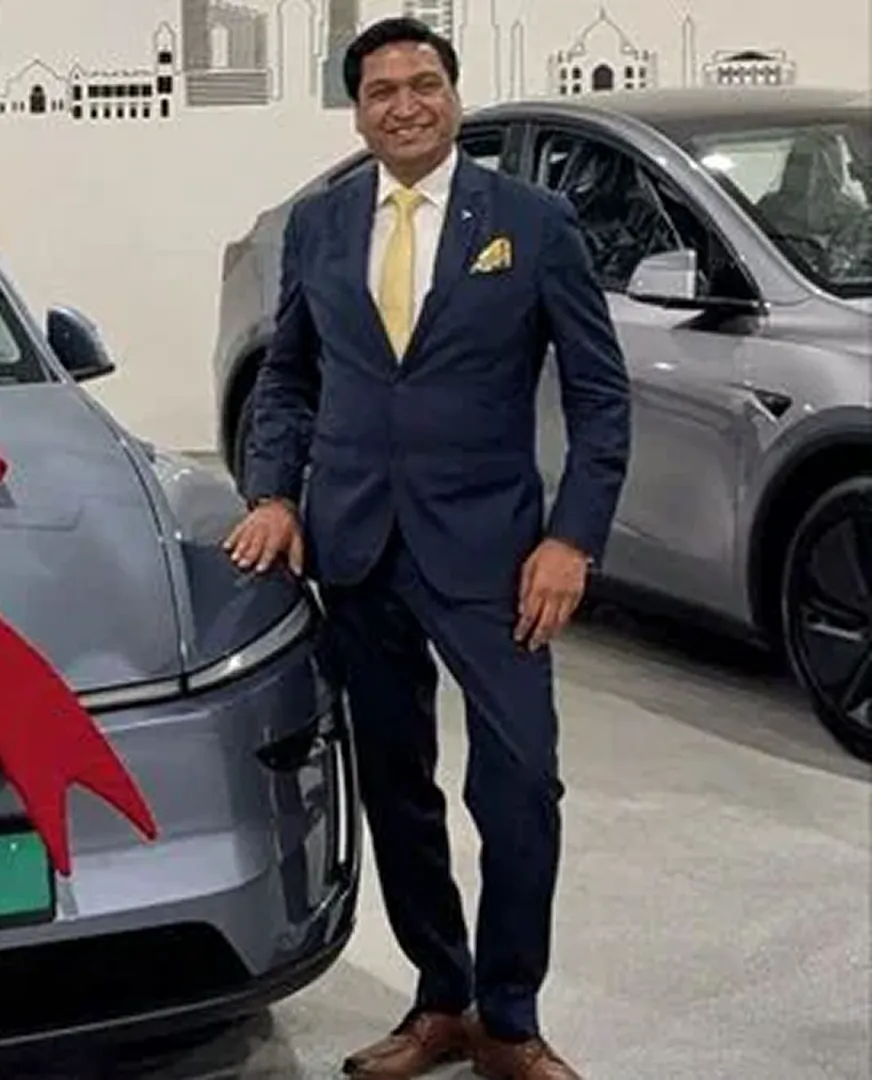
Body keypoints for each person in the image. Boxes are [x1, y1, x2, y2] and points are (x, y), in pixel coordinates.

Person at [224, 16, 629, 1080]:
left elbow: (599, 395)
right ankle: (439, 998)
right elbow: (291, 375)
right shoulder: (320, 224)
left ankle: (511, 1014)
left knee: (521, 786)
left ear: (453, 95)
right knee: (397, 785)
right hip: (356, 547)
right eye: (381, 90)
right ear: (356, 109)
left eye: (424, 84)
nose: (404, 104)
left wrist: (572, 540)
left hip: (493, 555)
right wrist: (272, 491)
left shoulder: (532, 224)